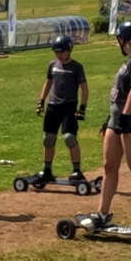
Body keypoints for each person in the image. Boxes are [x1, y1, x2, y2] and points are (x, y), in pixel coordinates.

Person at [80, 21, 131, 233]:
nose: (118, 43)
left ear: (126, 39)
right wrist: (111, 119)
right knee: (109, 166)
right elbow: (120, 95)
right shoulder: (128, 61)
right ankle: (103, 214)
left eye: (119, 39)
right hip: (117, 120)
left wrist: (124, 117)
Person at [32, 35, 89, 185]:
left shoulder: (76, 67)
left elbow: (84, 88)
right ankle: (47, 170)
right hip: (53, 106)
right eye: (57, 52)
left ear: (69, 50)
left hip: (68, 107)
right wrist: (41, 101)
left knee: (70, 138)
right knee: (48, 139)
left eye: (62, 52)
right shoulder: (53, 65)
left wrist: (82, 107)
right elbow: (48, 83)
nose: (59, 55)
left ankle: (77, 170)